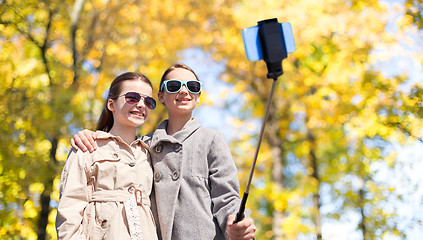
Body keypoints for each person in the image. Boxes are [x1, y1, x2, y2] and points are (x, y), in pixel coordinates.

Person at [71, 64, 256, 240]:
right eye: (174, 86)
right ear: (161, 97)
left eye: (192, 86)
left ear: (198, 96)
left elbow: (226, 197)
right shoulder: (143, 146)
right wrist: (89, 136)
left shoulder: (211, 139)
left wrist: (235, 223)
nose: (184, 91)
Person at [56, 72, 159, 240]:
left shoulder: (151, 152)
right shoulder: (87, 147)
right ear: (111, 104)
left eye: (148, 101)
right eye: (132, 97)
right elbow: (70, 208)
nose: (141, 105)